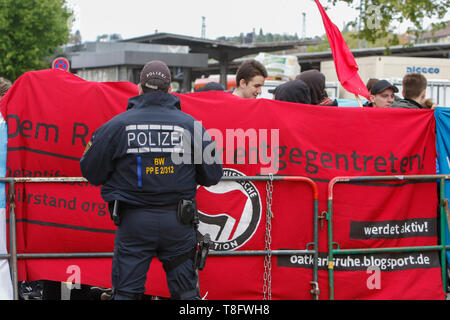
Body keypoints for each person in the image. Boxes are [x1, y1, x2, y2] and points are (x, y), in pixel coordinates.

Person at [80, 60, 223, 300]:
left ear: (139, 88)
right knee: (187, 296)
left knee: (126, 294)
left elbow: (90, 170)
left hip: (134, 222)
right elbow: (213, 174)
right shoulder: (191, 126)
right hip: (178, 222)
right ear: (170, 89)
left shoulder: (116, 126)